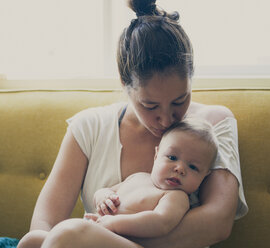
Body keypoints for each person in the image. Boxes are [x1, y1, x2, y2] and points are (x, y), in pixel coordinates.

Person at [18, 0, 248, 247]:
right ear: (124, 85)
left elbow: (218, 223)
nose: (166, 119)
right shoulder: (90, 127)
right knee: (34, 240)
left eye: (180, 100)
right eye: (150, 106)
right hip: (84, 238)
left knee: (69, 234)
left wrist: (102, 235)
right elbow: (45, 226)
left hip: (90, 238)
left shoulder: (213, 125)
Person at [84, 118, 218, 240]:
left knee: (70, 232)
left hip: (117, 238)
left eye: (193, 167)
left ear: (205, 175)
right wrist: (103, 197)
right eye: (172, 157)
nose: (180, 169)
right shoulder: (137, 177)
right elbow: (106, 191)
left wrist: (114, 224)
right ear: (156, 155)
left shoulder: (177, 197)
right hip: (97, 231)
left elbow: (161, 222)